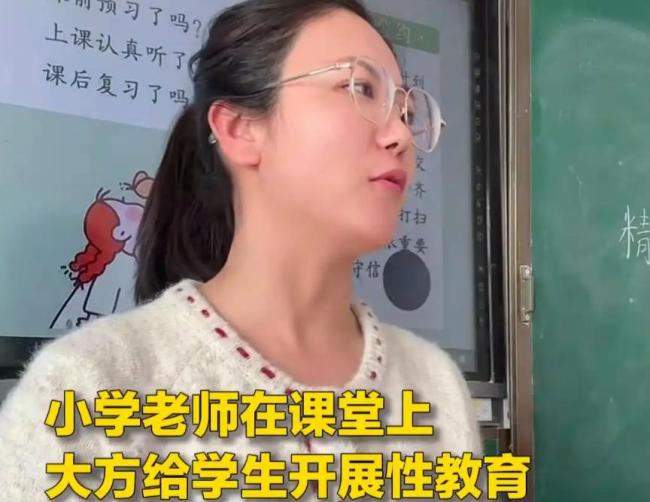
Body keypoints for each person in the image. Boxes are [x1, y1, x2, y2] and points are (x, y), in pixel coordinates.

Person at [0, 0, 482, 499]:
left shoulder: (435, 386)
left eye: (406, 112)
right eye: (359, 87)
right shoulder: (91, 386)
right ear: (239, 129)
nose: (401, 134)